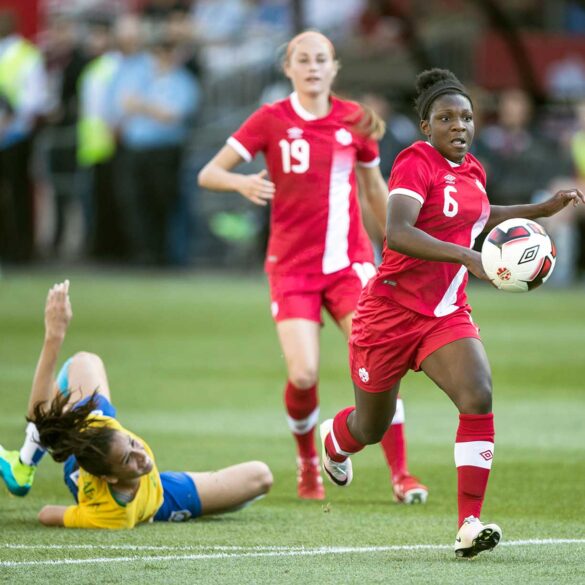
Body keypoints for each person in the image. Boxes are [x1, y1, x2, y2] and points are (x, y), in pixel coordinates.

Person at [319, 68, 584, 557]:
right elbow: (397, 232)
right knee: (370, 427)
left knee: (478, 395)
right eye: (446, 118)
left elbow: (482, 215)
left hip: (444, 313)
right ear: (426, 127)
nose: (459, 126)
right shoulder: (414, 162)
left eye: (465, 117)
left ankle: (468, 523)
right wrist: (468, 256)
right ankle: (334, 441)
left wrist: (541, 210)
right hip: (388, 315)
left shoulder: (473, 171)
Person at [198, 30, 427, 503]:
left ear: (334, 67)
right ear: (289, 68)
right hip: (292, 267)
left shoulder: (357, 120)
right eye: (303, 59)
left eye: (321, 59)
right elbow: (209, 172)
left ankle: (401, 476)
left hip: (350, 264)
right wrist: (241, 185)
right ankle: (308, 468)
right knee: (303, 375)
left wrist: (399, 245)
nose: (313, 67)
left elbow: (373, 190)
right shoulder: (269, 119)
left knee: (382, 361)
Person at [0, 280, 272, 529]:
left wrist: (55, 335)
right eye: (128, 458)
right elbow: (47, 513)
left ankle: (23, 463)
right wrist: (81, 511)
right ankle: (26, 462)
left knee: (83, 363)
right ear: (109, 478)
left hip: (102, 449)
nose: (142, 455)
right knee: (259, 478)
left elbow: (41, 416)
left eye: (132, 443)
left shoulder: (101, 427)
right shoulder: (109, 515)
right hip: (159, 502)